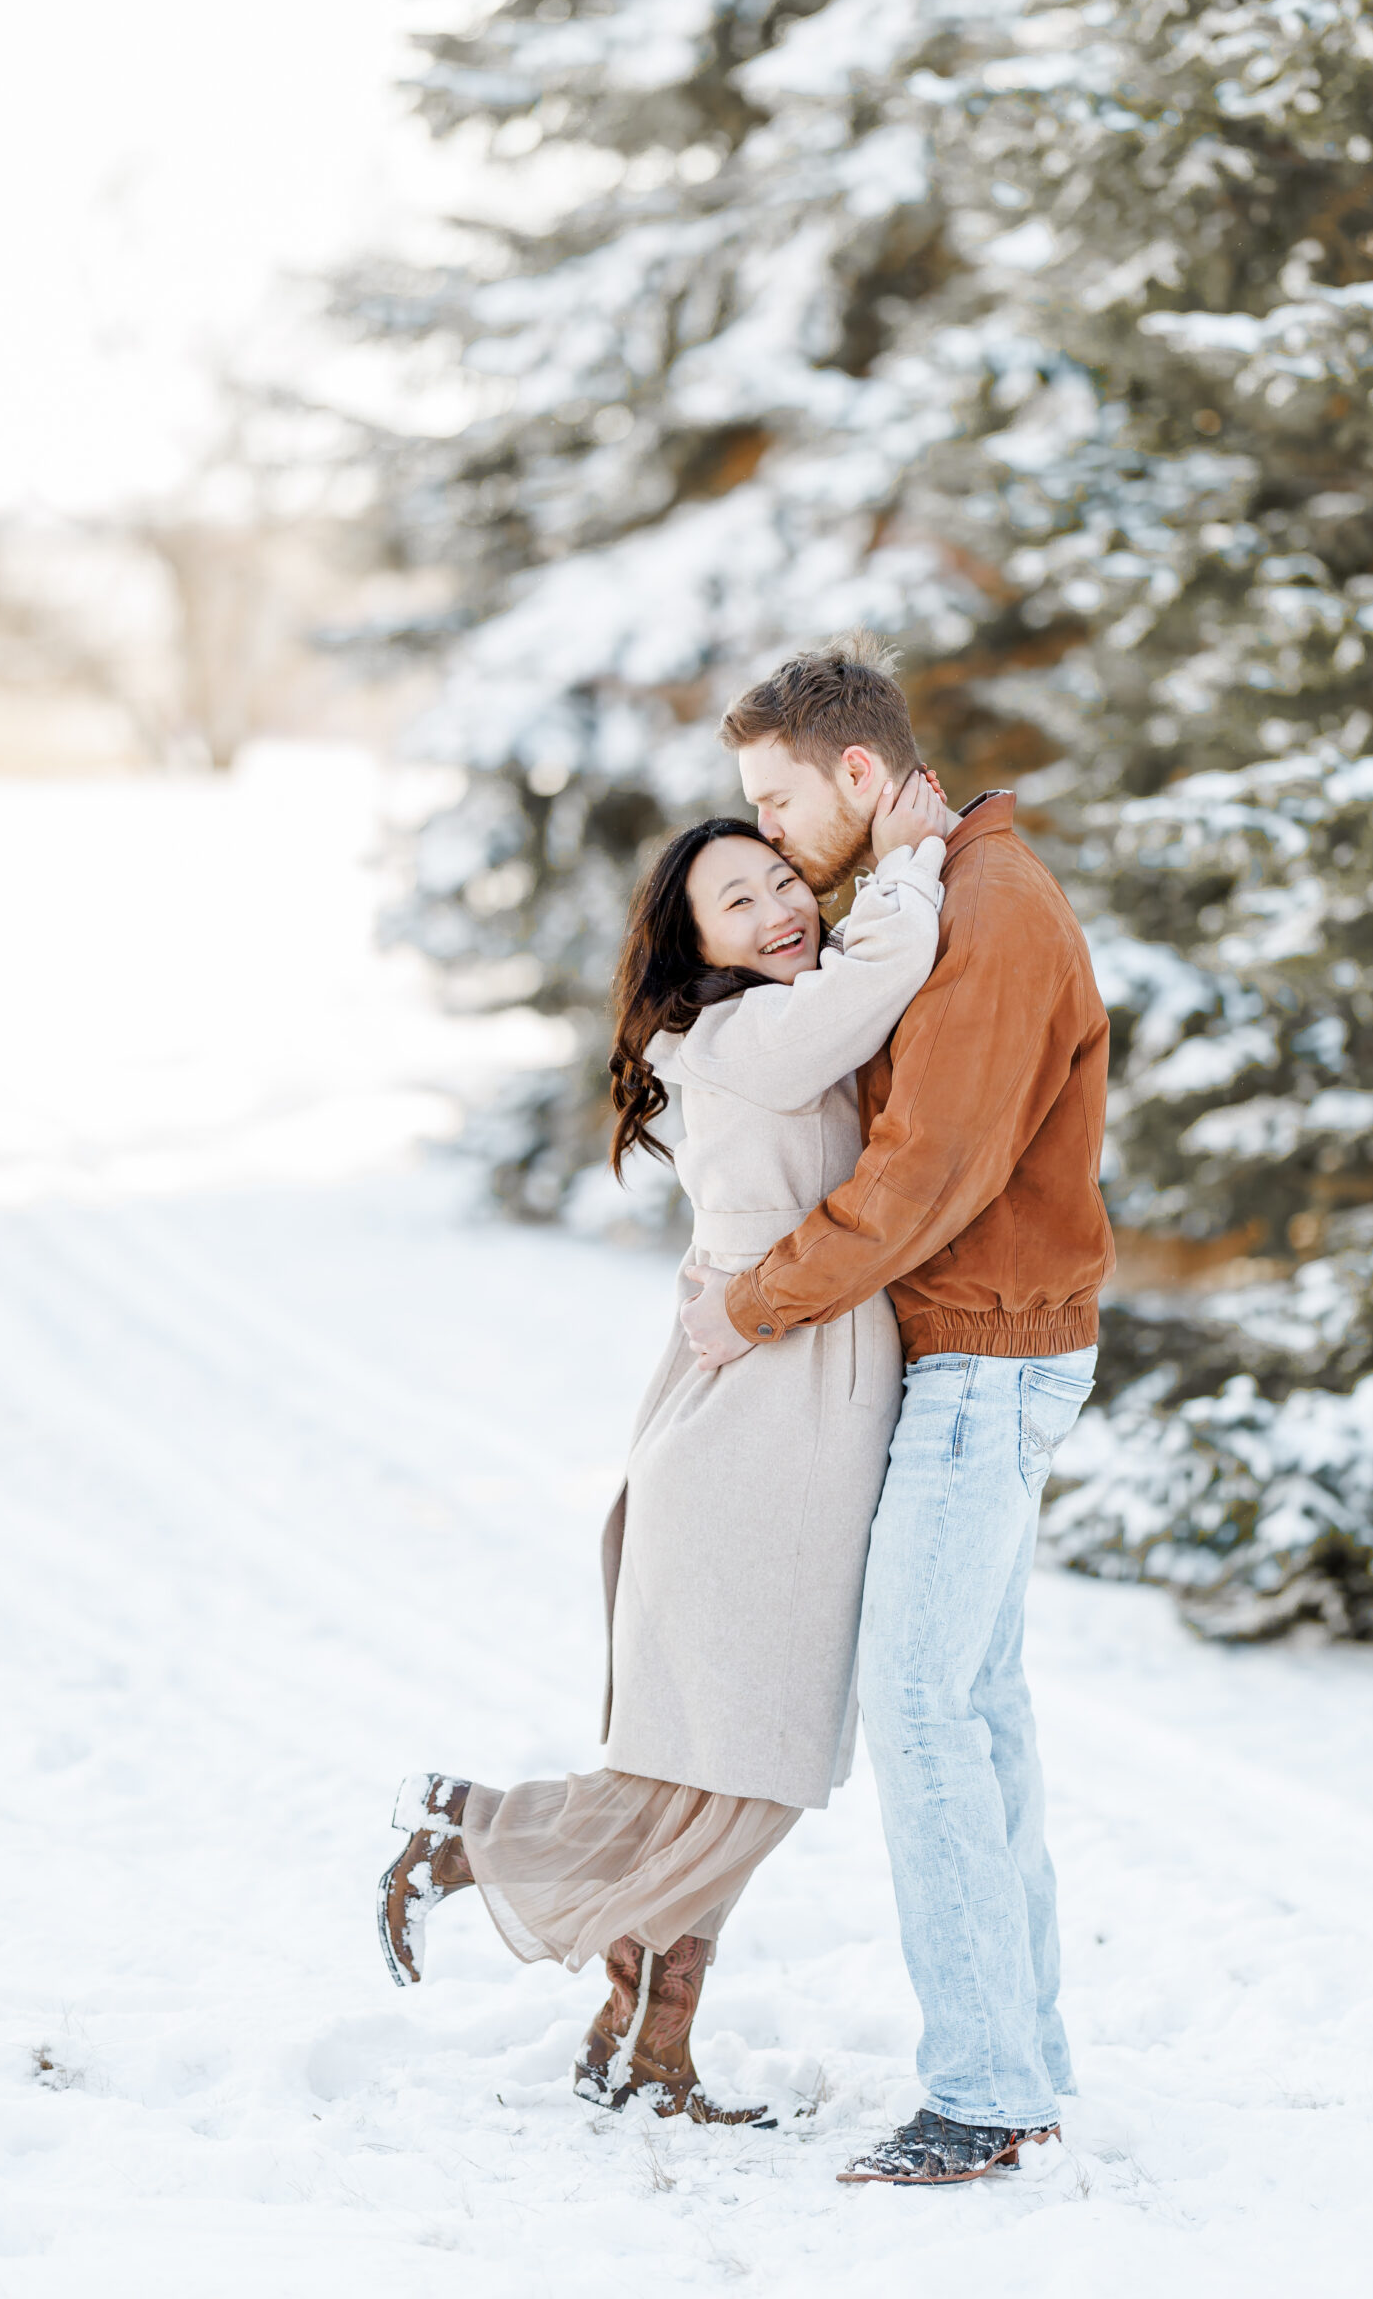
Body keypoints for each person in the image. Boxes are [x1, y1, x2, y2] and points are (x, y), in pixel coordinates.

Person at [377, 774, 951, 2127]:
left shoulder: (759, 1032)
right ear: (696, 948)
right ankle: (474, 1839)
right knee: (746, 1761)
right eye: (737, 900)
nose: (778, 908)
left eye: (782, 881)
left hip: (776, 1399)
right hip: (763, 1424)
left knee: (730, 1764)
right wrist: (911, 865)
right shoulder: (747, 1037)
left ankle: (642, 2043)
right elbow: (884, 977)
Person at [680, 634, 1115, 2187]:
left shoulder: (991, 915)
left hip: (984, 1358)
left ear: (859, 774)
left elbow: (919, 1180)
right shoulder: (946, 886)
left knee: (925, 1708)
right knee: (975, 1709)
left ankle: (985, 2095)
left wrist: (753, 1300)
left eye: (778, 803)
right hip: (983, 1353)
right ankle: (1026, 2060)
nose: (773, 840)